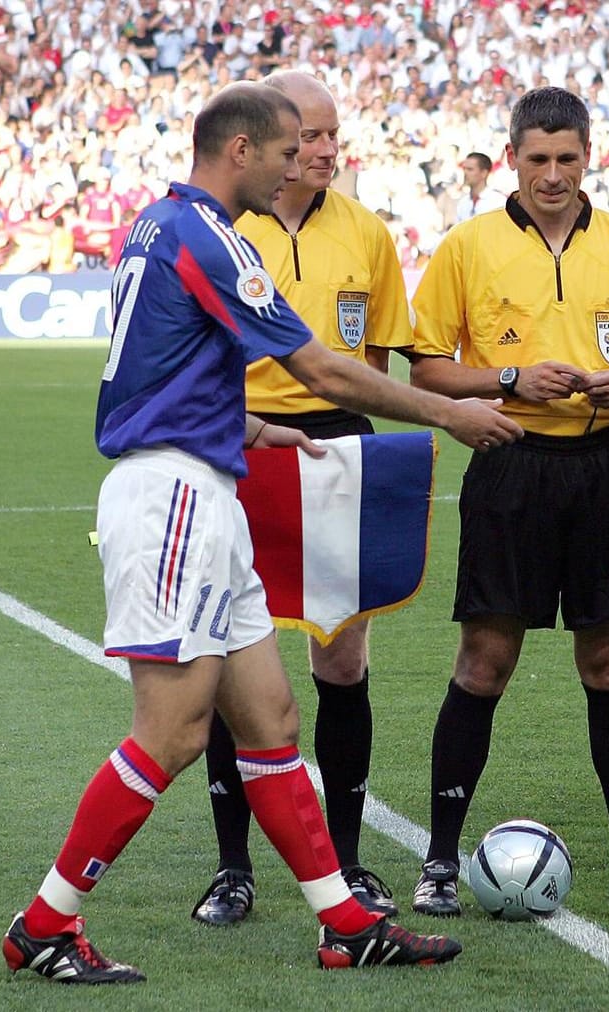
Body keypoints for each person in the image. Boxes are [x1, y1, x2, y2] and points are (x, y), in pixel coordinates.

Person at [2, 82, 521, 985]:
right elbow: (325, 368)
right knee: (169, 734)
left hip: (205, 486)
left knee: (271, 719)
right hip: (176, 503)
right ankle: (46, 922)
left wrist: (246, 427)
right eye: (285, 151)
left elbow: (154, 367)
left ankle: (345, 922)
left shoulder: (155, 226)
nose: (296, 166)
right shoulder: (211, 236)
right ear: (239, 151)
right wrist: (449, 413)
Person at [404, 86, 609, 916]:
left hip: (604, 468)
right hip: (509, 465)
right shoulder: (468, 246)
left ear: (587, 156)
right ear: (511, 159)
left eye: (566, 157)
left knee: (608, 664)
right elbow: (427, 367)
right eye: (536, 159)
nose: (551, 174)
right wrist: (510, 378)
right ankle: (435, 862)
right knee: (484, 663)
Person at [187, 70, 413, 928]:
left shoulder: (367, 233)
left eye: (331, 135)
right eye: (307, 136)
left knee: (341, 661)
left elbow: (375, 367)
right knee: (222, 658)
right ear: (271, 139)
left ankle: (348, 861)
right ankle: (233, 866)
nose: (323, 150)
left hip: (339, 448)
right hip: (237, 447)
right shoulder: (221, 225)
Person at [451, 151, 504, 225]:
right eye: (464, 169)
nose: (465, 173)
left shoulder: (498, 202)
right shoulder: (463, 202)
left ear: (484, 173)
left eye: (470, 169)